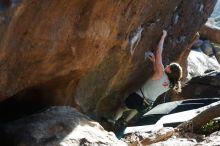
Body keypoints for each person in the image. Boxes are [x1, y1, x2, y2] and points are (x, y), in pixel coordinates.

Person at [112, 30, 183, 127]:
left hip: (137, 98)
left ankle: (112, 122)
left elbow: (159, 52)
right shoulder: (170, 84)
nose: (167, 65)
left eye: (169, 66)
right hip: (146, 105)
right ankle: (124, 123)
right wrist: (154, 62)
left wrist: (163, 37)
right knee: (134, 110)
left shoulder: (161, 72)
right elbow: (157, 78)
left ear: (170, 71)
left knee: (122, 107)